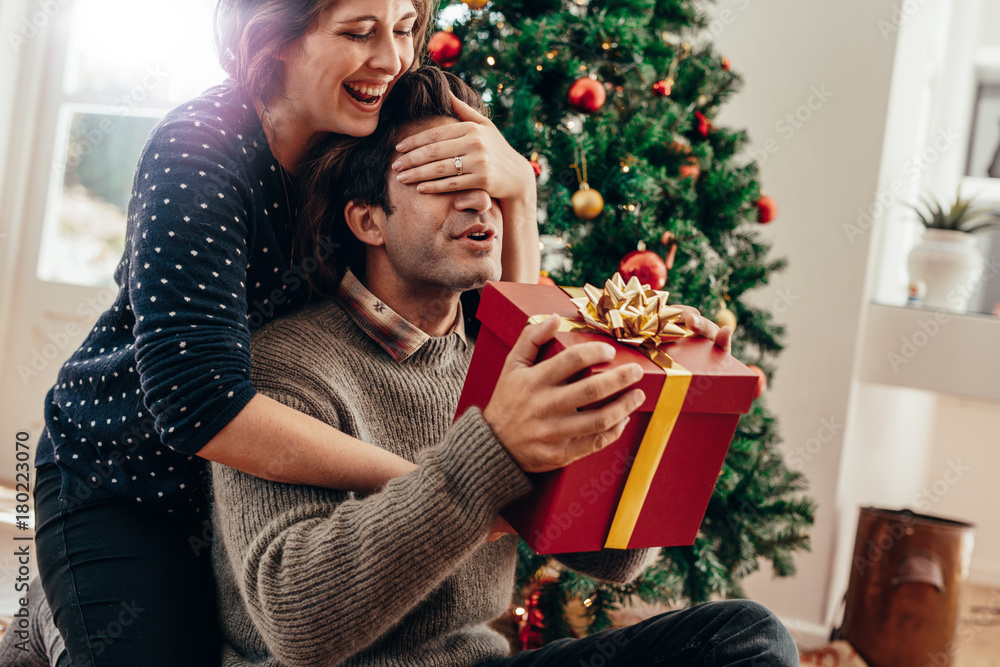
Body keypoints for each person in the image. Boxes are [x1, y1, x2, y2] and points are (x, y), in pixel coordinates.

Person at [211, 66, 797, 667]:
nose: (477, 201)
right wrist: (490, 449)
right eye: (444, 178)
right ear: (368, 219)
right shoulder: (285, 366)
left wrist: (662, 387)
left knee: (745, 638)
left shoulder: (502, 355)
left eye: (488, 179)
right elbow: (294, 624)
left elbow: (616, 560)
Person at [30, 1, 548, 664]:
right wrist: (440, 484)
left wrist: (519, 199)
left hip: (257, 491)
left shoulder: (368, 132)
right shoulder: (199, 151)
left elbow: (493, 330)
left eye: (406, 29)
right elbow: (199, 405)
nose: (391, 60)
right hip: (129, 484)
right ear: (271, 39)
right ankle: (50, 619)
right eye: (360, 31)